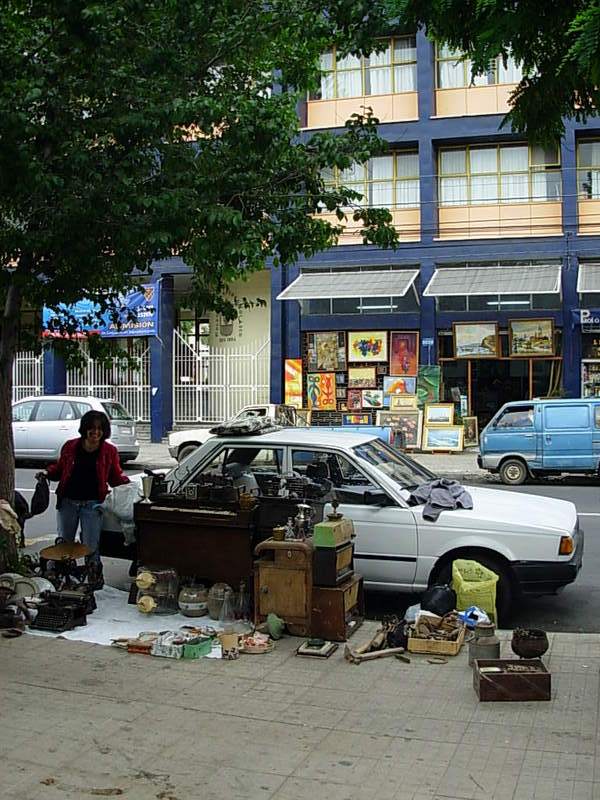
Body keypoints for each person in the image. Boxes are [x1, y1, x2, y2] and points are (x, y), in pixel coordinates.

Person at [37, 410, 130, 579]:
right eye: (92, 428)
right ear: (84, 429)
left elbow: (115, 477)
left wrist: (131, 486)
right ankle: (63, 577)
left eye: (100, 429)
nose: (95, 432)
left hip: (93, 504)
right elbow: (59, 469)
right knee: (64, 544)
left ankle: (93, 580)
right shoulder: (70, 446)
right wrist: (47, 473)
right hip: (67, 502)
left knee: (91, 546)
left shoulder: (109, 451)